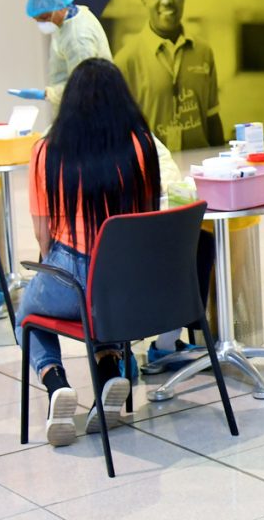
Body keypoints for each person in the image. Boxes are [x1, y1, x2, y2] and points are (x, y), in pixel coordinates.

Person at [15, 58, 161, 447]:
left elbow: (44, 234)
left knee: (27, 315)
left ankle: (56, 383)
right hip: (131, 281)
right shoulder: (141, 145)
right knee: (101, 309)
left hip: (73, 270)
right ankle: (111, 367)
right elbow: (150, 211)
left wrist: (51, 269)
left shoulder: (47, 151)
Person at [114, 0, 224, 151]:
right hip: (154, 172)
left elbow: (212, 118)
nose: (166, 1)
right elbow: (118, 132)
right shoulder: (125, 61)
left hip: (198, 170)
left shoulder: (203, 51)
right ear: (144, 2)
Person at [12, 0, 112, 107]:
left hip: (88, 110)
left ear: (59, 8)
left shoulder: (78, 39)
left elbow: (84, 88)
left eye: (44, 18)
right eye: (37, 20)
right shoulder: (72, 17)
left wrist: (45, 94)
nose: (42, 23)